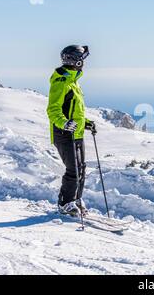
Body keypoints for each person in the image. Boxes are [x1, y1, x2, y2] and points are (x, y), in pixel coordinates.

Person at [47, 45, 97, 216]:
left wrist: (86, 123)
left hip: (76, 132)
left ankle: (76, 199)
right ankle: (65, 203)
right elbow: (53, 109)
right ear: (76, 61)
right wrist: (64, 123)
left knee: (81, 169)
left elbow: (74, 110)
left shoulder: (73, 82)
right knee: (73, 170)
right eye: (82, 59)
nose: (84, 63)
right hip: (63, 133)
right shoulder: (61, 81)